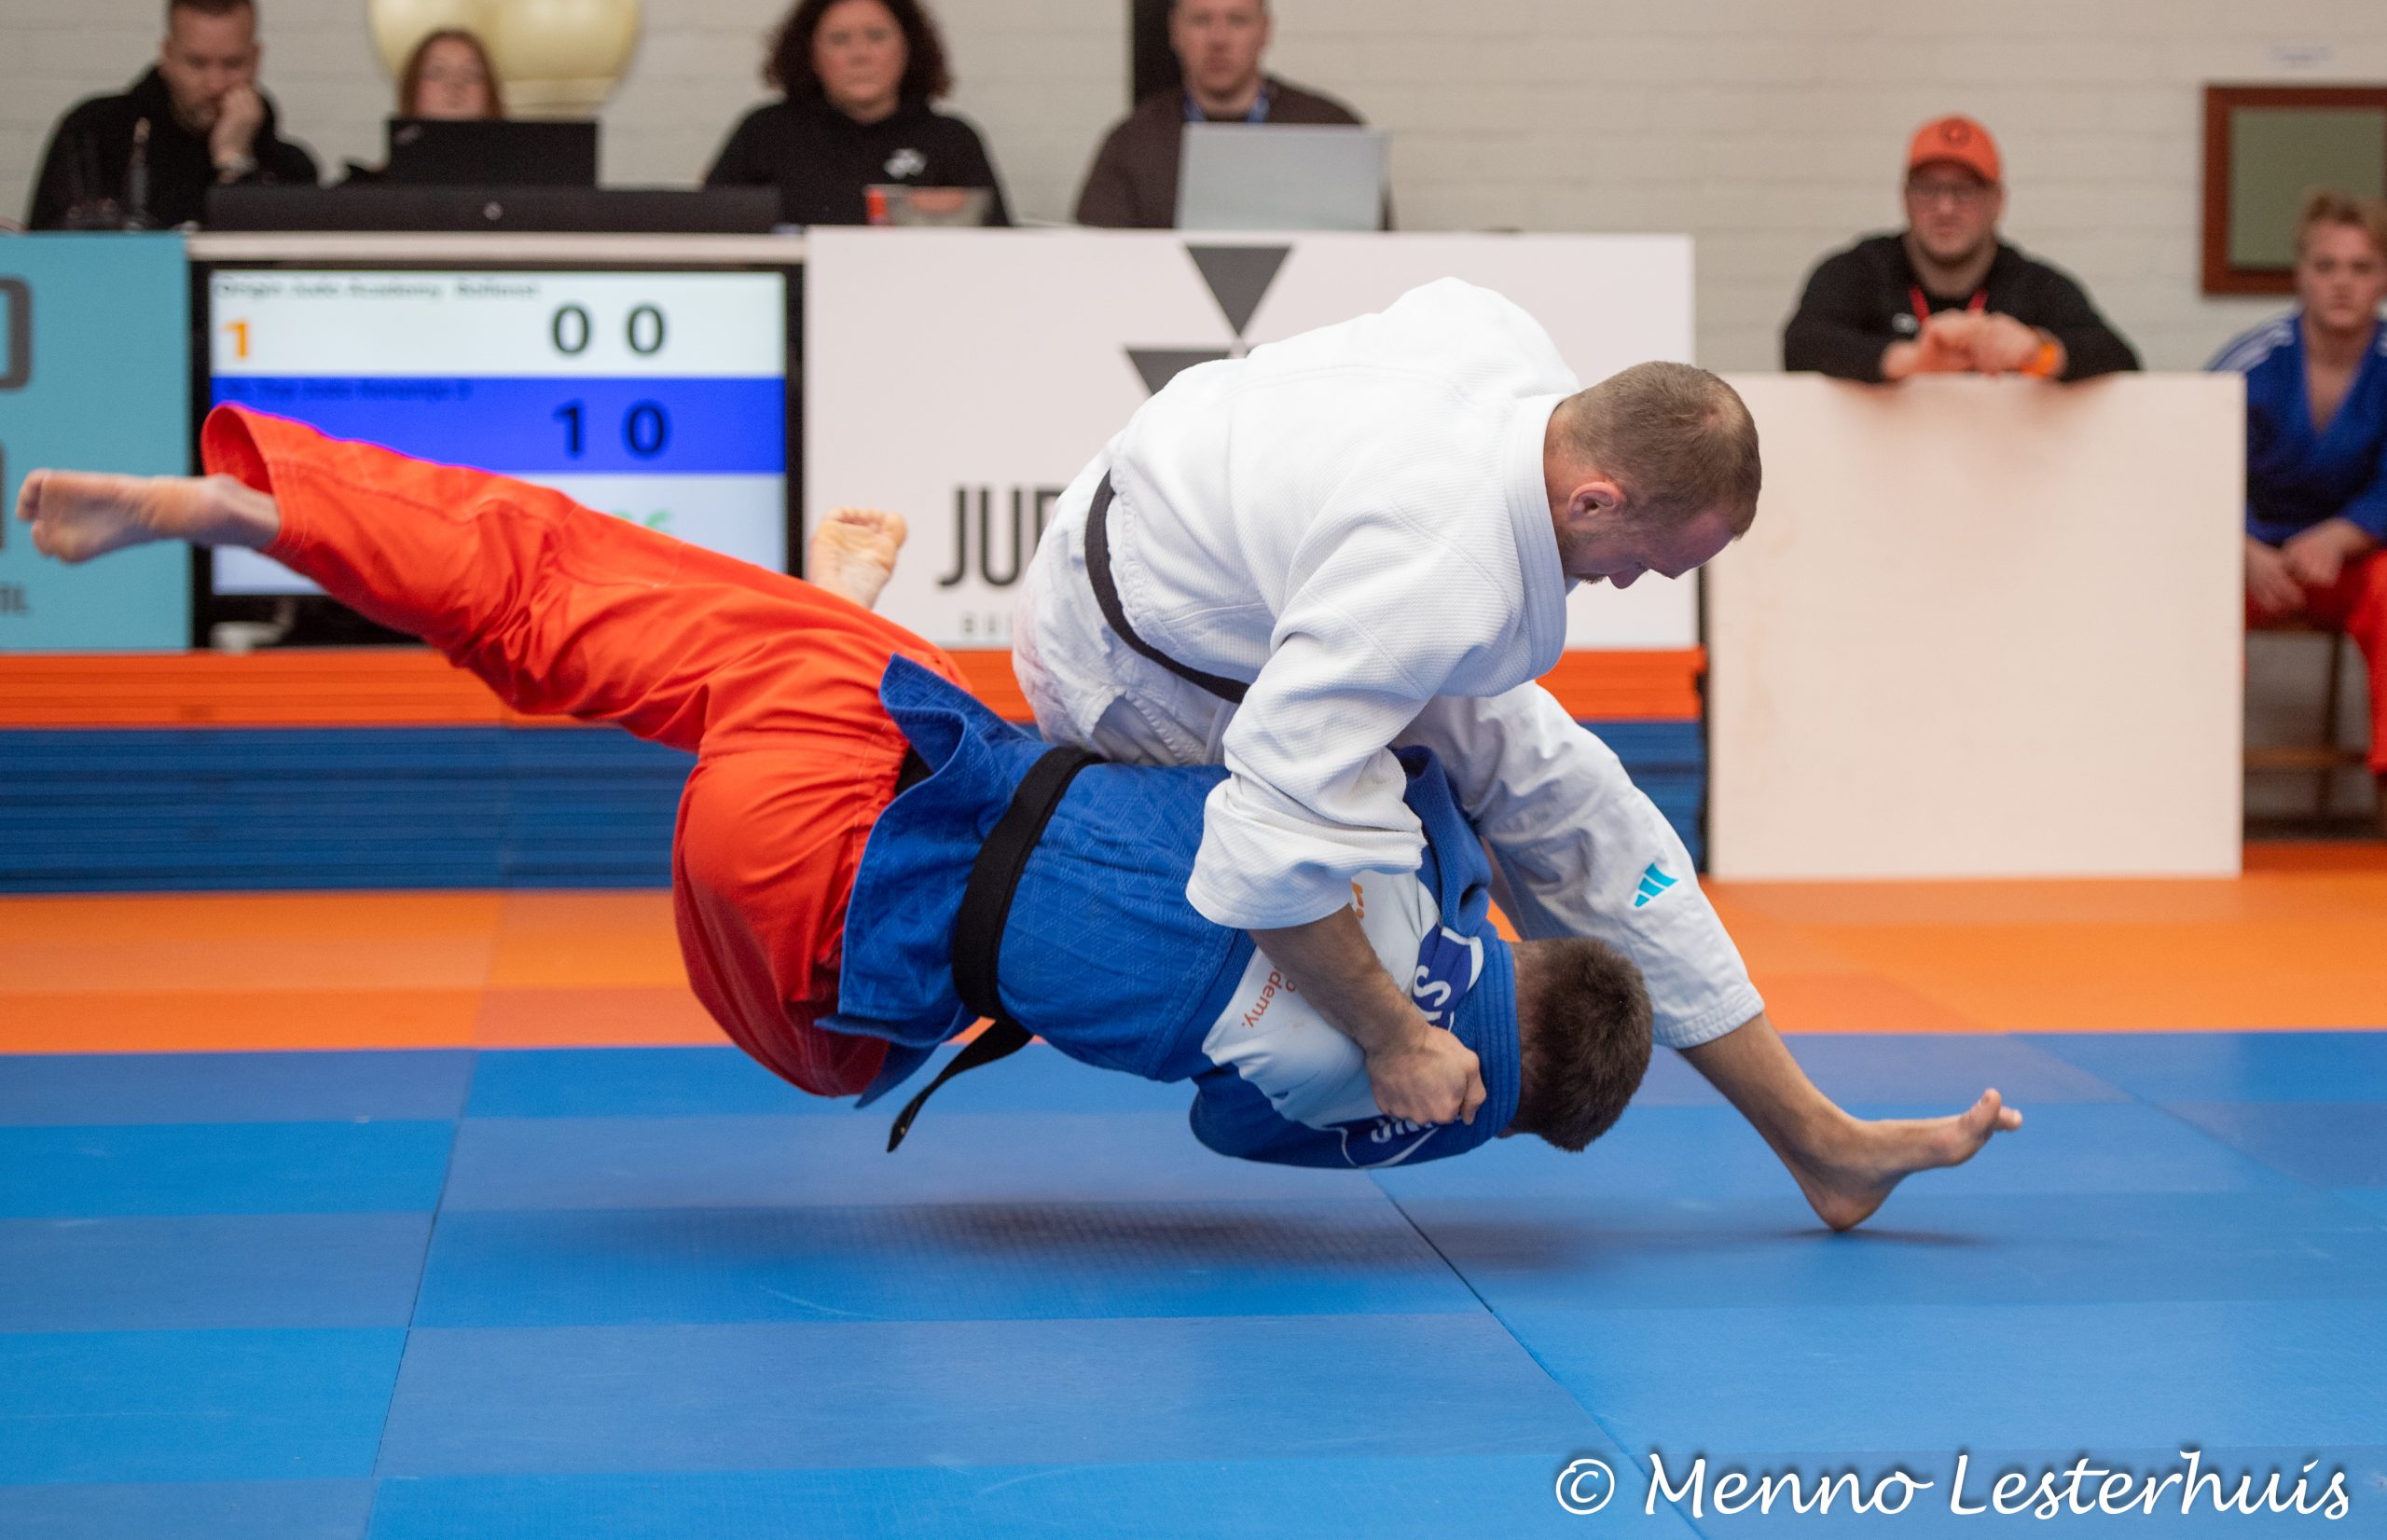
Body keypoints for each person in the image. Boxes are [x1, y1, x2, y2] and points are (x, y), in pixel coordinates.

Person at [13, 409, 1679, 1176]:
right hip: (805, 956)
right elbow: (1221, 1123)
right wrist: (1412, 1089)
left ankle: (269, 511)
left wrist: (1450, 925)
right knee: (872, 1051)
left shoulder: (1418, 856)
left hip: (873, 750)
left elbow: (1436, 769)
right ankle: (833, 608)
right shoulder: (1383, 1124)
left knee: (570, 591)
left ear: (1520, 931)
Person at [1014, 276, 2022, 1231]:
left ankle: (1820, 1140)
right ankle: (1358, 1036)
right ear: (1591, 499)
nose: (1628, 585)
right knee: (1359, 908)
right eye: (1636, 561)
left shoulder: (1505, 351)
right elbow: (1265, 858)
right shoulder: (1433, 571)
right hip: (1125, 646)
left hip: (1269, 565)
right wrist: (1394, 1038)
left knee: (1575, 799)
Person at [2211, 190, 2387, 827]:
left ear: (2383, 278)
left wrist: (2339, 539)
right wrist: (2246, 549)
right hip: (2254, 561)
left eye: (2361, 267)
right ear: (2301, 274)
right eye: (2327, 265)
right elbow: (2194, 467)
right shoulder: (2252, 361)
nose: (2343, 283)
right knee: (2193, 595)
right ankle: (2192, 776)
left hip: (2350, 564)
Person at [1782, 114, 2137, 382]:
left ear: (1997, 201)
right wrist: (1913, 360)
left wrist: (2038, 351)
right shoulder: (1859, 271)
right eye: (1928, 189)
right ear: (1905, 198)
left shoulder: (2035, 283)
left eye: (1964, 191)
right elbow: (1801, 344)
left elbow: (2120, 359)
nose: (1945, 207)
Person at [1073, 0, 1372, 229]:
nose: (1218, 39)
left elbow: (1376, 257)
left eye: (1237, 20)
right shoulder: (1133, 142)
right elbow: (1096, 263)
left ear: (1265, 30)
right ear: (1176, 30)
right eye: (1201, 20)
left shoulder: (1332, 133)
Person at [704, 0, 1009, 227]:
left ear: (908, 46)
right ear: (811, 53)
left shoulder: (952, 141)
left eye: (876, 37)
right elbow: (706, 241)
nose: (860, 55)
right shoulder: (764, 134)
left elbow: (1003, 259)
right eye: (839, 40)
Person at [24, 0, 318, 230]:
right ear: (166, 55)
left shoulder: (288, 168)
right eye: (196, 63)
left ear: (255, 60)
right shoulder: (94, 135)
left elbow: (276, 270)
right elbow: (46, 256)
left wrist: (234, 162)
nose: (215, 84)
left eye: (232, 64)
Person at [339, 29, 505, 185]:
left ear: (490, 94)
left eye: (471, 74)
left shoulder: (520, 187)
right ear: (413, 90)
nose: (455, 85)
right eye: (437, 73)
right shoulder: (362, 192)